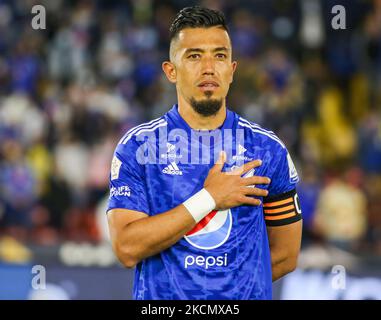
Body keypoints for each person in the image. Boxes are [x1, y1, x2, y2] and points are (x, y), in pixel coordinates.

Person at [107, 6, 302, 300]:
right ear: (171, 71)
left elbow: (286, 255)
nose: (209, 67)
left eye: (220, 55)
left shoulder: (268, 150)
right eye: (194, 56)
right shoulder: (138, 147)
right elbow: (127, 248)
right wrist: (210, 198)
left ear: (232, 70)